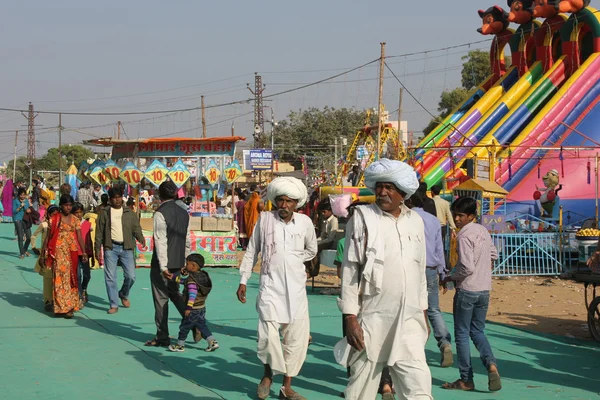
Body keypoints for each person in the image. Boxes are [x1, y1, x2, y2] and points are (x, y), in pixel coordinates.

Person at [339, 159, 432, 400]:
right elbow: (350, 271)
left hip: (410, 320)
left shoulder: (416, 221)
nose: (382, 192)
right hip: (372, 319)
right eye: (379, 186)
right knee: (359, 392)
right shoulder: (362, 218)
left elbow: (419, 270)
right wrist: (350, 317)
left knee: (419, 388)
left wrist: (423, 311)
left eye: (389, 187)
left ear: (403, 191)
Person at [237, 177, 317, 400]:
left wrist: (293, 258)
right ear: (275, 201)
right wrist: (243, 280)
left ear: (296, 203)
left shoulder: (305, 223)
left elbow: (312, 249)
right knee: (268, 337)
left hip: (296, 289)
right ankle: (267, 376)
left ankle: (286, 387)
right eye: (280, 201)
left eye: (289, 201)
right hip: (270, 287)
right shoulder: (265, 220)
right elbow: (252, 251)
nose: (283, 205)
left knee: (295, 339)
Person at [441, 196, 501, 392]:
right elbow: (494, 254)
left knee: (462, 335)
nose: (457, 219)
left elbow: (466, 267)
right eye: (455, 215)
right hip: (484, 289)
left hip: (467, 289)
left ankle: (466, 378)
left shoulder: (464, 235)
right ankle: (491, 364)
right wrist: (484, 267)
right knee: (477, 331)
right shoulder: (483, 230)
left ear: (471, 216)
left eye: (460, 216)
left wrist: (451, 277)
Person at [145, 180, 202, 347]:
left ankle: (162, 336)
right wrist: (186, 261)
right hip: (179, 262)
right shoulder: (184, 213)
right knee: (175, 294)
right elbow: (187, 240)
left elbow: (160, 241)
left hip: (163, 264)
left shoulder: (160, 213)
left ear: (159, 195)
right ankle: (195, 323)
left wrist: (163, 267)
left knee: (161, 299)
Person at [408, 192, 453, 367]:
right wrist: (443, 272)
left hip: (412, 268)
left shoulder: (407, 218)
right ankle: (445, 343)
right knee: (433, 309)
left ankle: (415, 348)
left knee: (411, 309)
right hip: (431, 268)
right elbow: (439, 249)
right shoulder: (434, 221)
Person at [94, 187, 146, 314]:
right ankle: (114, 304)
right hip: (110, 248)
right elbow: (99, 232)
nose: (117, 200)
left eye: (119, 197)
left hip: (126, 247)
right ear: (110, 199)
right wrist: (97, 248)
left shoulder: (129, 213)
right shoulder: (105, 213)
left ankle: (123, 293)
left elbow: (136, 228)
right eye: (114, 197)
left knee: (131, 276)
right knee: (110, 277)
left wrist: (141, 238)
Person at [41, 195, 87, 318]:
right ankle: (61, 307)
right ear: (61, 205)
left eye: (70, 205)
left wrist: (84, 252)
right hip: (58, 253)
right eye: (66, 205)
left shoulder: (75, 220)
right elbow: (48, 237)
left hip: (71, 252)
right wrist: (43, 254)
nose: (68, 207)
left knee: (71, 279)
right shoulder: (55, 219)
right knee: (59, 279)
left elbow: (79, 236)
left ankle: (70, 306)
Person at [168, 253, 219, 353]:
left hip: (193, 309)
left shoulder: (192, 280)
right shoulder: (203, 275)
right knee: (202, 325)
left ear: (193, 266)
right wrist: (174, 278)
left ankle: (180, 345)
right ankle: (212, 342)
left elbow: (192, 294)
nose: (186, 266)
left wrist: (188, 308)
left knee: (184, 327)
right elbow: (186, 282)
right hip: (201, 307)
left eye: (187, 264)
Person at [32, 205, 59, 311]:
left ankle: (56, 299)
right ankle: (48, 301)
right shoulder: (44, 225)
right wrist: (34, 247)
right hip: (46, 254)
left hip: (57, 254)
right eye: (53, 215)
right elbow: (34, 235)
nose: (55, 217)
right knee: (47, 279)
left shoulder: (59, 225)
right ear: (48, 214)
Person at [73, 202, 93, 304]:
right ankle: (79, 295)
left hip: (84, 253)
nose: (78, 215)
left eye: (80, 212)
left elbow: (89, 240)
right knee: (77, 275)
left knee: (87, 275)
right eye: (76, 212)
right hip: (74, 252)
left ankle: (84, 289)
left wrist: (90, 253)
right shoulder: (70, 223)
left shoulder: (87, 224)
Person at [13, 188, 32, 259]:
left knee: (29, 237)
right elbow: (14, 211)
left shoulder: (26, 201)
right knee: (20, 237)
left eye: (24, 195)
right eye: (21, 195)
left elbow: (27, 209)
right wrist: (20, 206)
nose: (23, 196)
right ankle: (22, 253)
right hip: (18, 219)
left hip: (25, 219)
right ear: (19, 195)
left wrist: (29, 209)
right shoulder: (15, 201)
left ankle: (24, 249)